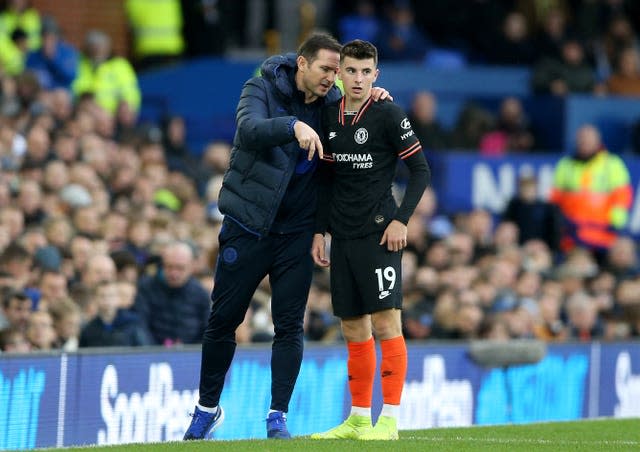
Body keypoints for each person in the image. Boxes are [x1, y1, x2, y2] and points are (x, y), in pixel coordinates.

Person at [183, 32, 390, 441]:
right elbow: (250, 128)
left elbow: (348, 154)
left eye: (338, 71)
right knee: (223, 321)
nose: (334, 77)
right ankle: (207, 409)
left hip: (296, 233)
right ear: (302, 63)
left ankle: (277, 416)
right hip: (248, 225)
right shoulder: (260, 86)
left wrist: (375, 101)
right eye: (327, 68)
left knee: (290, 325)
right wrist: (292, 125)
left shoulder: (335, 105)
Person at [310, 39, 430, 440]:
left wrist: (401, 220)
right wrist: (320, 229)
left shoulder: (388, 114)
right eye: (351, 71)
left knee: (386, 322)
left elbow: (421, 171)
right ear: (340, 73)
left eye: (366, 72)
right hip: (341, 236)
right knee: (352, 328)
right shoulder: (328, 116)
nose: (358, 79)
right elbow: (326, 179)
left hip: (380, 235)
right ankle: (359, 417)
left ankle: (390, 420)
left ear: (376, 75)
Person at [549, 124, 633, 264]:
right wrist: (561, 223)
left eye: (588, 140)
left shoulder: (612, 164)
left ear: (597, 141)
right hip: (572, 235)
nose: (584, 144)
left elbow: (622, 197)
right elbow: (555, 199)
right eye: (581, 140)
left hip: (603, 235)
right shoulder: (565, 165)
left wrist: (616, 223)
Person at [133, 241, 210, 346]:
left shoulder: (200, 294)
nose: (174, 273)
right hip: (153, 354)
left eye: (180, 268)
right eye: (169, 267)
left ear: (191, 267)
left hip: (190, 355)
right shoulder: (146, 288)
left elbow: (207, 330)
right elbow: (141, 326)